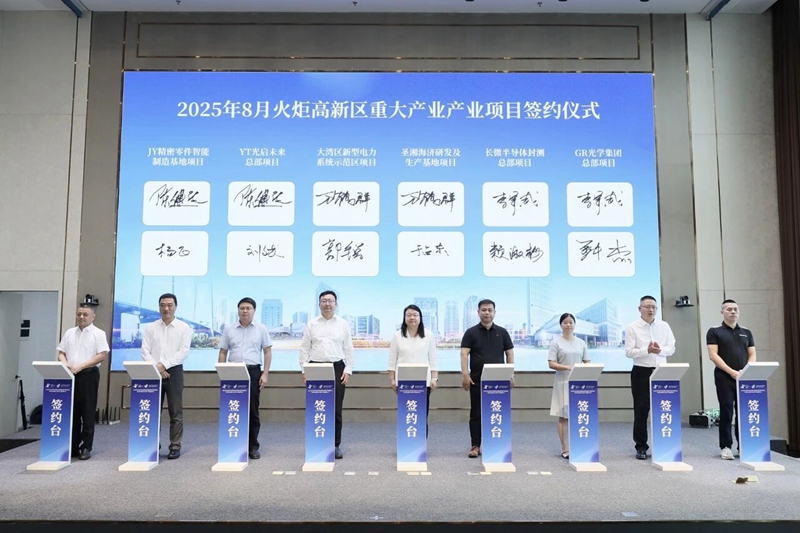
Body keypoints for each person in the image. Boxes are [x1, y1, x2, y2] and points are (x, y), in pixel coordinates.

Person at [299, 290, 354, 459]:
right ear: (319, 304)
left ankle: (335, 445)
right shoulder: (312, 323)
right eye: (324, 301)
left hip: (337, 367)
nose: (327, 304)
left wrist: (348, 369)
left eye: (330, 301)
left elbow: (349, 348)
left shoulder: (343, 324)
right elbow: (304, 348)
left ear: (336, 304)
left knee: (336, 408)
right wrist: (304, 370)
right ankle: (317, 443)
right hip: (315, 367)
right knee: (317, 406)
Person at [218, 297, 273, 460]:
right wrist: (222, 372)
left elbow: (267, 352)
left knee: (252, 411)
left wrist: (265, 374)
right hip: (233, 372)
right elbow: (223, 352)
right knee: (233, 409)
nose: (245, 311)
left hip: (253, 371)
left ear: (254, 311)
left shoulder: (261, 329)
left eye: (248, 308)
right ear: (238, 310)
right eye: (242, 308)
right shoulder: (229, 329)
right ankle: (234, 445)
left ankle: (252, 446)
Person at [460, 299, 514, 458]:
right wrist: (465, 374)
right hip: (477, 380)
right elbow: (464, 354)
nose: (487, 313)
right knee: (476, 414)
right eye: (483, 310)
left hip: (499, 381)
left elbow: (509, 353)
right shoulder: (471, 332)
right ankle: (475, 446)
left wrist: (511, 374)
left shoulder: (502, 332)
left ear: (494, 312)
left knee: (498, 412)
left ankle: (497, 444)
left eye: (490, 310)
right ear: (478, 312)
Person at [624, 295, 676, 460]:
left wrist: (660, 351)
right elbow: (629, 352)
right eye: (647, 306)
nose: (651, 309)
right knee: (641, 410)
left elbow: (671, 347)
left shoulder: (664, 326)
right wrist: (646, 350)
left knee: (664, 409)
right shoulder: (632, 327)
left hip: (662, 371)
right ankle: (641, 447)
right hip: (641, 371)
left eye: (653, 307)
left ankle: (664, 445)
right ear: (639, 309)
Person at [56, 303, 109, 461]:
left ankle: (86, 446)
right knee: (72, 411)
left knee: (87, 412)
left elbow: (101, 355)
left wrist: (82, 366)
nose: (81, 317)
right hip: (70, 374)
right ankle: (72, 446)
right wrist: (65, 363)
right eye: (79, 314)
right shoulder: (69, 332)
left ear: (93, 317)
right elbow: (61, 352)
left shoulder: (98, 333)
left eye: (85, 315)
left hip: (88, 374)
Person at [141, 293, 192, 459]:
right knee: (152, 411)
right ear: (159, 307)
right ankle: (153, 445)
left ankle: (175, 446)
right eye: (163, 305)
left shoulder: (184, 327)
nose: (166, 308)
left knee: (175, 412)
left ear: (175, 307)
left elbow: (183, 351)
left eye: (170, 305)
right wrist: (157, 367)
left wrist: (164, 365)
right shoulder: (151, 327)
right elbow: (145, 351)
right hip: (153, 372)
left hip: (174, 372)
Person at [707, 299, 756, 460]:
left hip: (744, 377)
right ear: (722, 312)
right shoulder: (715, 331)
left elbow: (752, 354)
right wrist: (731, 372)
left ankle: (743, 446)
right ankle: (726, 446)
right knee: (727, 411)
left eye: (735, 309)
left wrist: (746, 371)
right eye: (729, 309)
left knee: (744, 412)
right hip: (724, 377)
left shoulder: (746, 332)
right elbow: (713, 355)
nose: (733, 312)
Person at [387, 304, 439, 436]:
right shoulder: (397, 335)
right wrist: (392, 379)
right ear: (404, 318)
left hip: (423, 381)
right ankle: (406, 442)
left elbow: (433, 358)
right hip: (403, 380)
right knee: (406, 412)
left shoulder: (428, 335)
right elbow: (392, 359)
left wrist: (434, 378)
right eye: (409, 315)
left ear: (420, 317)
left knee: (421, 412)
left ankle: (421, 441)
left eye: (415, 315)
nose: (412, 317)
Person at [548, 312, 590, 459]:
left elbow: (587, 361)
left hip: (579, 384)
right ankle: (565, 448)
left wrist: (583, 369)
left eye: (571, 322)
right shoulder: (556, 343)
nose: (568, 325)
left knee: (580, 415)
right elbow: (551, 363)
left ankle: (579, 446)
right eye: (565, 322)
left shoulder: (581, 342)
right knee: (563, 416)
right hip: (562, 382)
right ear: (561, 325)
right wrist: (567, 367)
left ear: (574, 325)